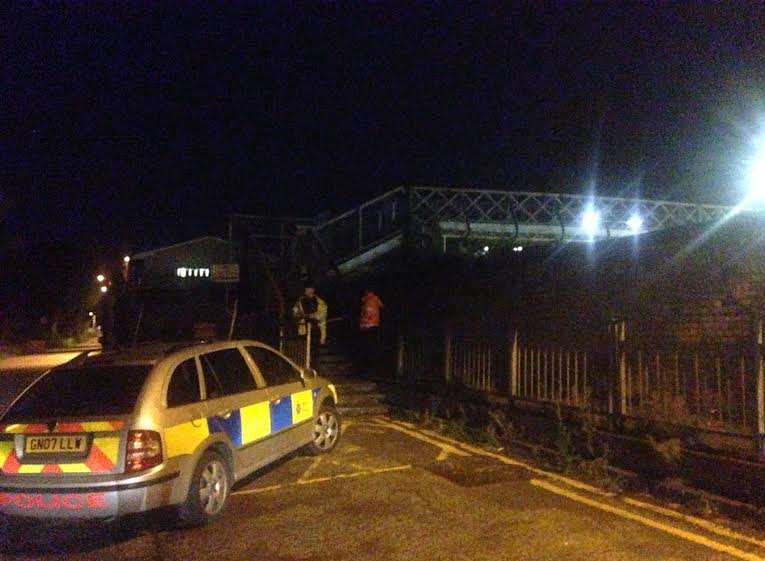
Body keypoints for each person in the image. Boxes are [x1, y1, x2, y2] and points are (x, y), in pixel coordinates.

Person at [359, 289, 383, 376]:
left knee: (367, 349)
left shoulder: (368, 301)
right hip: (375, 326)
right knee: (372, 348)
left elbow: (367, 314)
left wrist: (362, 323)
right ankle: (372, 370)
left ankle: (367, 370)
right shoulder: (376, 300)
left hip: (368, 328)